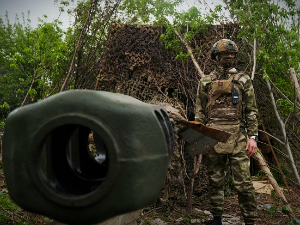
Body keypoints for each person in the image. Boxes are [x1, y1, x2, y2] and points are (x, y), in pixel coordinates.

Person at [195, 39, 258, 225]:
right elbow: (199, 112)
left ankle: (250, 221)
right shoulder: (205, 81)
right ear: (216, 56)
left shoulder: (243, 80)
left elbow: (252, 111)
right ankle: (216, 219)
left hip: (238, 135)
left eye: (232, 55)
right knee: (215, 180)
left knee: (244, 183)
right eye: (224, 54)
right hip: (213, 135)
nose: (228, 57)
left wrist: (253, 138)